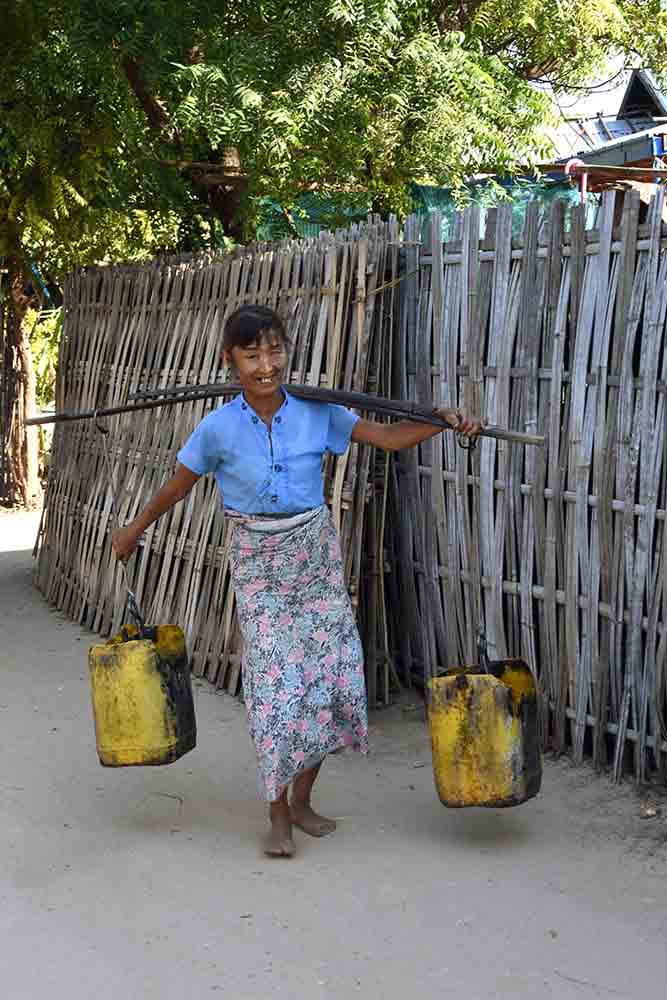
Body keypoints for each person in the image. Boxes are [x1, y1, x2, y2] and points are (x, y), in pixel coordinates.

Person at [112, 304, 482, 858]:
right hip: (259, 568)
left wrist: (441, 422)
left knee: (329, 683)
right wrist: (134, 528)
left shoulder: (317, 412)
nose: (267, 364)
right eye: (252, 353)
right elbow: (178, 486)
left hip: (315, 560)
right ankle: (277, 811)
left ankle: (305, 800)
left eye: (275, 350)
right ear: (230, 360)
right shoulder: (218, 429)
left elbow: (385, 437)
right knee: (275, 692)